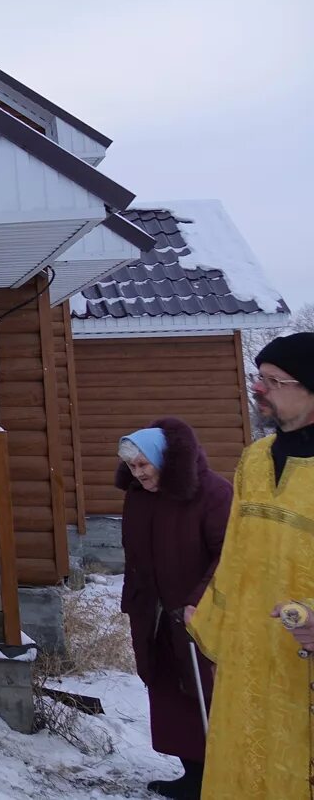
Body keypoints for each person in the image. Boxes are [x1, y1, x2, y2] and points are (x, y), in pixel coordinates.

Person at [188, 332, 314, 798]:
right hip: (248, 655)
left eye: (274, 381)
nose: (259, 390)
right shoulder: (254, 460)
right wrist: (215, 623)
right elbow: (235, 553)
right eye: (258, 378)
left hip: (303, 659)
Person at [114, 418, 230, 800]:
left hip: (203, 616)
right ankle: (193, 776)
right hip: (156, 614)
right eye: (132, 466)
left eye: (144, 465)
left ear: (166, 459)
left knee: (209, 694)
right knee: (169, 693)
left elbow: (228, 555)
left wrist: (200, 600)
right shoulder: (140, 496)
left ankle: (224, 777)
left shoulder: (212, 493)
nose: (139, 473)